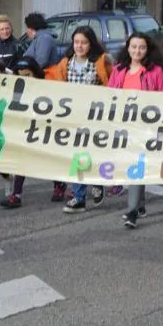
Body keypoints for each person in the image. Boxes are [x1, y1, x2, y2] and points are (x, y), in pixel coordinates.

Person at [108, 33, 163, 228]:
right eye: (134, 47)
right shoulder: (118, 70)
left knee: (136, 166)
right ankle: (140, 205)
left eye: (141, 47)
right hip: (124, 127)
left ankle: (132, 211)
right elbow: (110, 95)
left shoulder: (157, 72)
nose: (137, 51)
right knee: (136, 165)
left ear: (147, 49)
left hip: (146, 128)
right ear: (127, 48)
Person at [49, 26, 113, 212]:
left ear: (91, 44)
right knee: (76, 156)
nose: (79, 46)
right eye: (76, 42)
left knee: (94, 154)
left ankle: (98, 183)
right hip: (74, 118)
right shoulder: (65, 63)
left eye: (84, 42)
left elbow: (113, 84)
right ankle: (79, 197)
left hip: (96, 117)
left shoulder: (101, 62)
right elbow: (58, 88)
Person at [0, 56, 48, 209]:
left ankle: (59, 186)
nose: (24, 78)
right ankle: (16, 195)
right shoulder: (17, 89)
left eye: (28, 75)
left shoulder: (44, 87)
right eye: (20, 75)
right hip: (25, 129)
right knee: (21, 161)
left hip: (43, 129)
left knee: (50, 158)